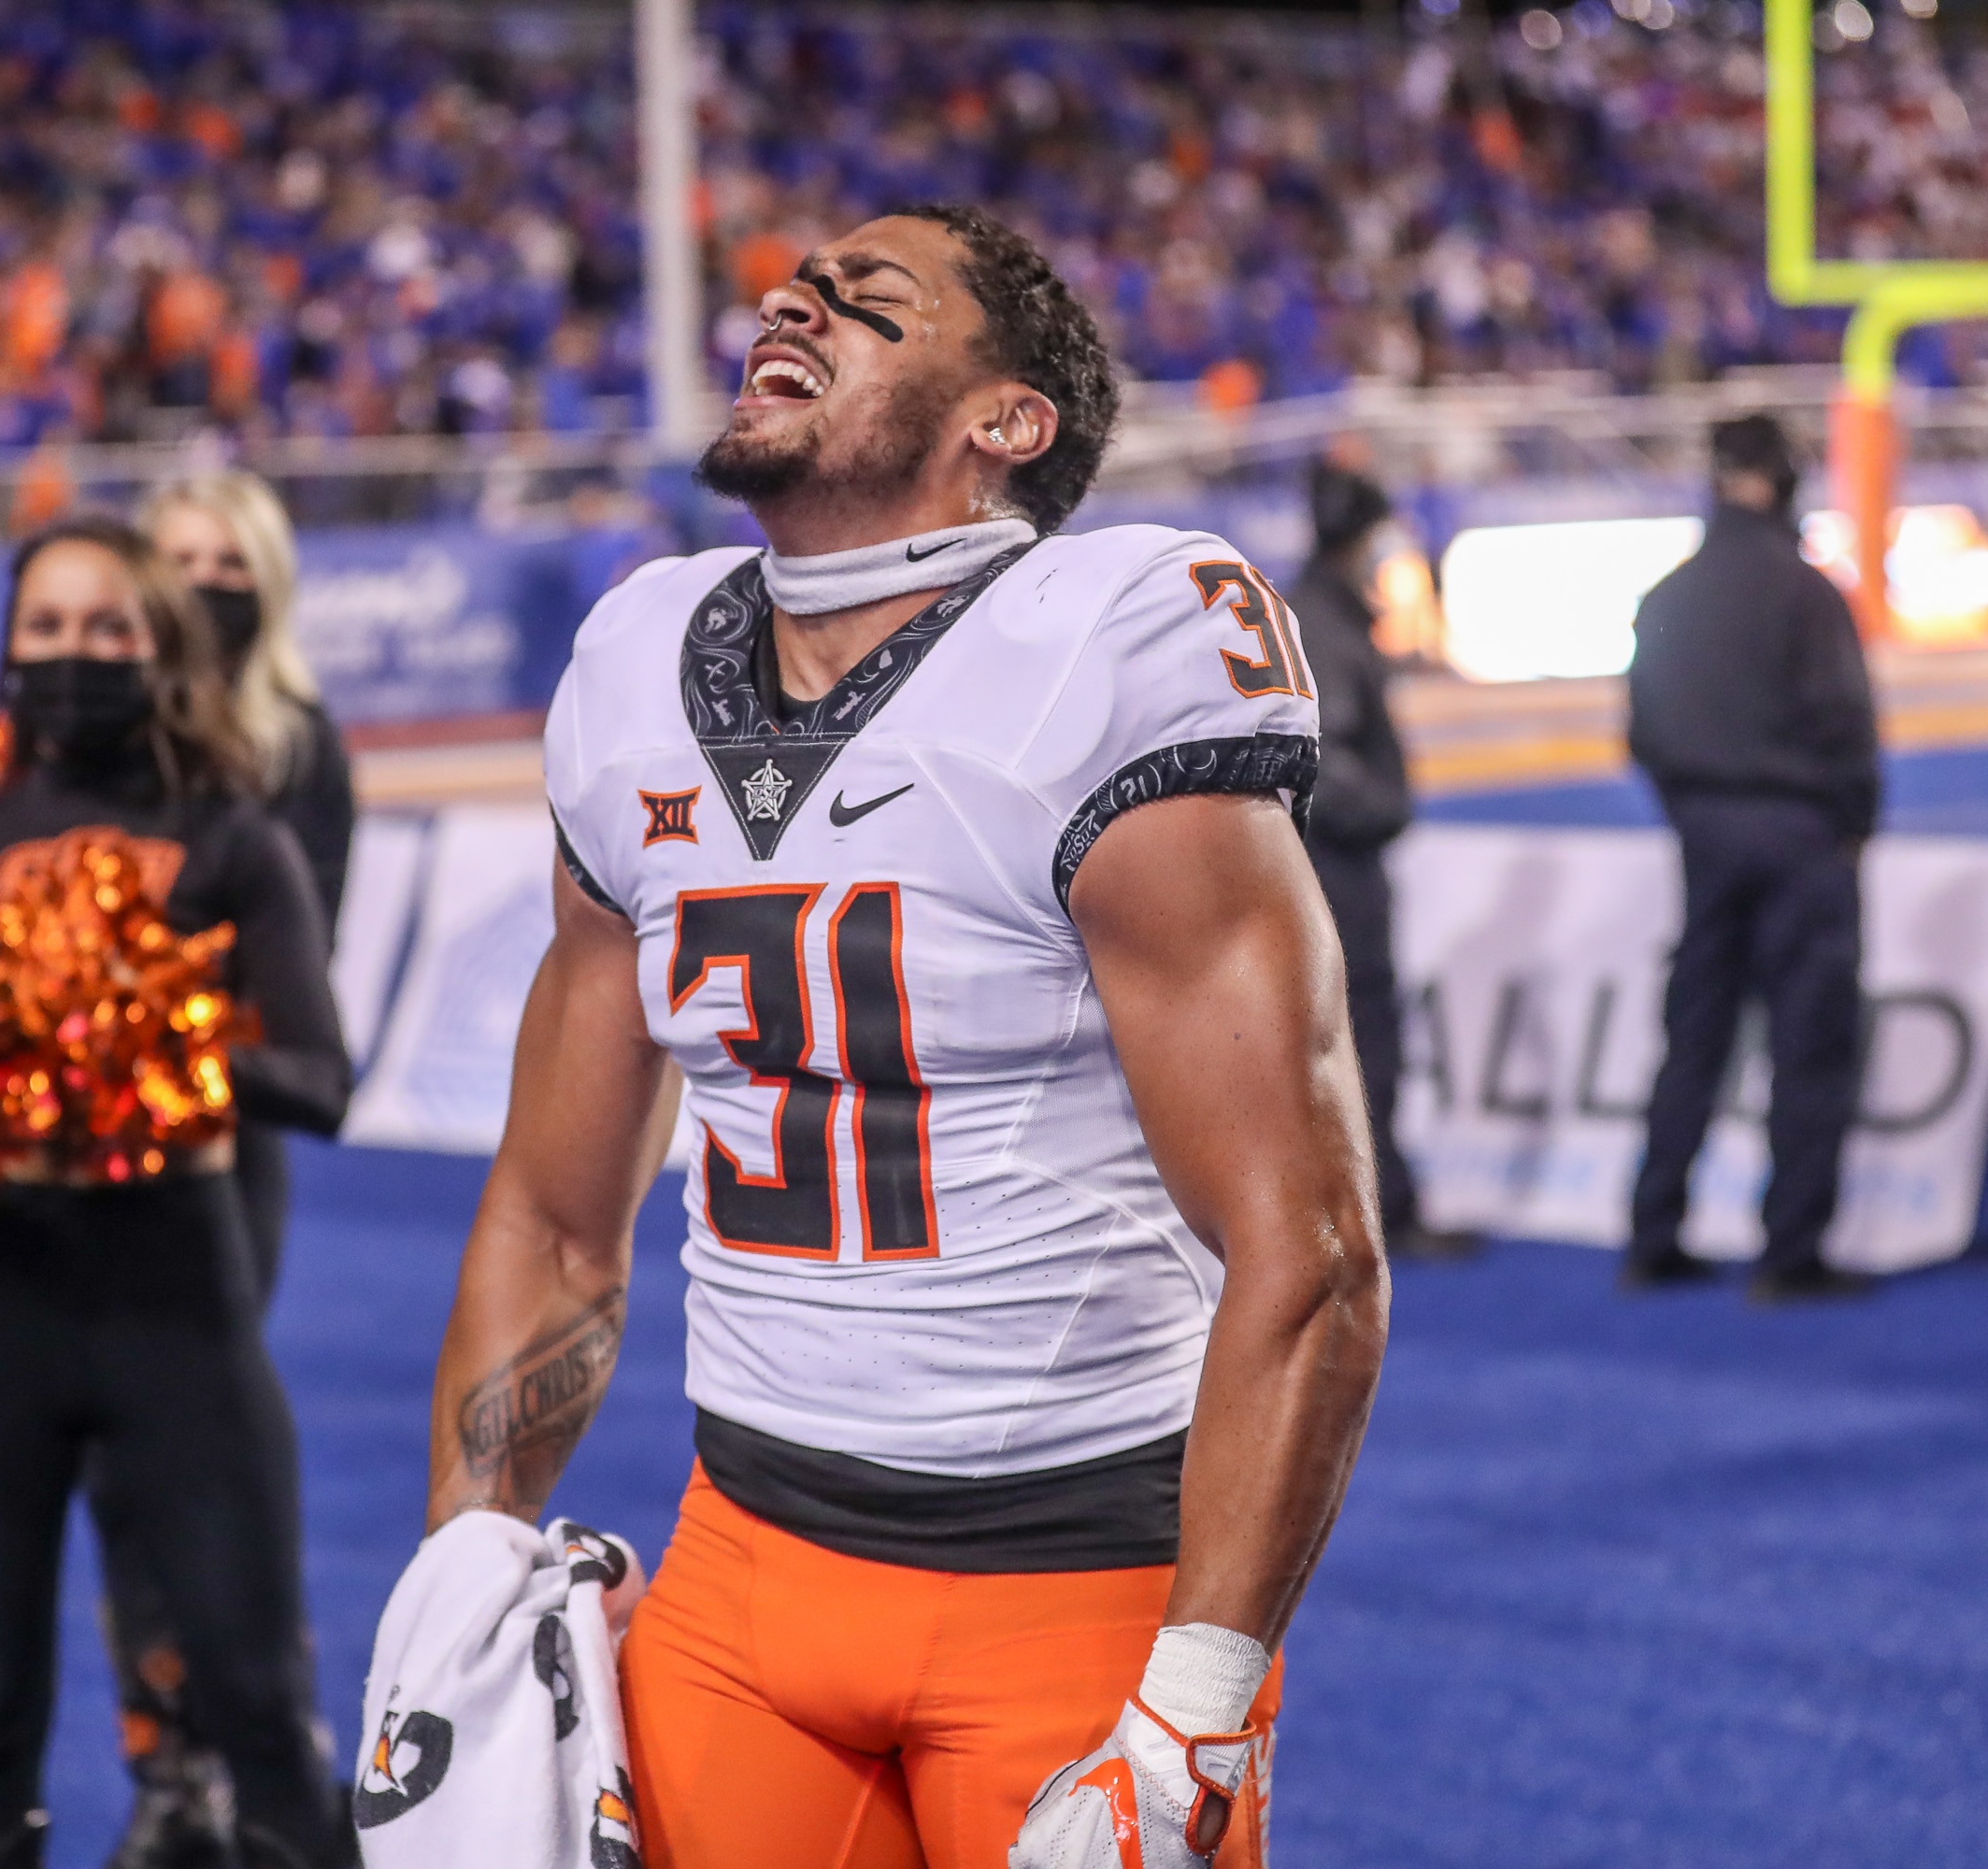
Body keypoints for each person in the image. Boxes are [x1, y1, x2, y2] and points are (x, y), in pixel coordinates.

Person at [401, 205, 1387, 1869]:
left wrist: (1194, 1710)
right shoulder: (639, 661)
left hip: (1071, 1586)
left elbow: (1312, 1246)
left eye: (869, 304)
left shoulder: (1104, 644)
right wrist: (465, 1572)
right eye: (795, 288)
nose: (794, 304)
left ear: (1006, 421)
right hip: (743, 1567)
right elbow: (556, 1212)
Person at [0, 515, 358, 1869]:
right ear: (8, 649)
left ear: (157, 648)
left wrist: (148, 1037)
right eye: (47, 629)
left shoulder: (233, 837)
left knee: (264, 1713)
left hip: (181, 1318)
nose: (75, 654)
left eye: (108, 629)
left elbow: (320, 1079)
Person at [88, 474, 358, 1865]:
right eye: (173, 558)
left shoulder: (298, 749)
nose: (199, 581)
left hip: (221, 1153)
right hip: (82, 1156)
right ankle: (163, 1770)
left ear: (264, 578)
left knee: (210, 1458)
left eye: (222, 559)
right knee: (115, 1471)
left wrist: (127, 1013)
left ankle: (271, 1763)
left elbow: (290, 992)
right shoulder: (99, 743)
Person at [1622, 415, 1881, 1304]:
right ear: (1782, 479)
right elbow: (1849, 729)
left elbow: (1643, 733)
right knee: (1809, 1043)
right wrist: (1852, 828)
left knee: (1695, 1035)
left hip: (1706, 837)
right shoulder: (1805, 595)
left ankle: (1654, 1230)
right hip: (1799, 838)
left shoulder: (1670, 597)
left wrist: (1695, 812)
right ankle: (1790, 1251)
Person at [1289, 460, 1472, 1266]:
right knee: (1362, 1044)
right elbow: (1323, 765)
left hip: (1314, 866)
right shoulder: (1327, 628)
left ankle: (1345, 1211)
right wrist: (1386, 811)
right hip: (1338, 872)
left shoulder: (1306, 614)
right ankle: (1375, 1209)